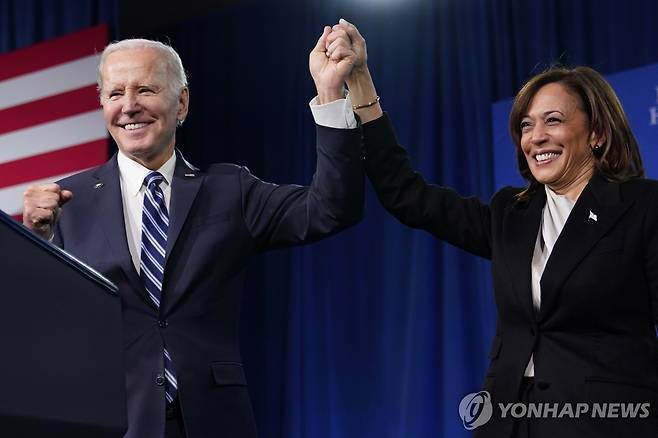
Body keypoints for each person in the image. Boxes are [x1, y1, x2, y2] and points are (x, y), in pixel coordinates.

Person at [322, 19, 658, 438]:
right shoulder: (509, 214)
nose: (535, 137)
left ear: (597, 134)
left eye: (552, 120)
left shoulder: (642, 206)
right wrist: (361, 87)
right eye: (525, 125)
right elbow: (407, 195)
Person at [22, 27, 364, 438]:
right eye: (115, 94)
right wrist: (36, 241)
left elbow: (330, 209)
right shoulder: (67, 201)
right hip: (112, 423)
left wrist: (329, 94)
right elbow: (40, 327)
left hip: (215, 422)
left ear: (181, 102)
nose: (129, 106)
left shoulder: (229, 189)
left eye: (145, 90)